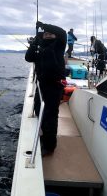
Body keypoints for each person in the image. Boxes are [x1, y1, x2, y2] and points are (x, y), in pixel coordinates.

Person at [25, 21, 67, 156]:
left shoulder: (59, 45)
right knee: (38, 110)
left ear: (55, 36)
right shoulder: (40, 47)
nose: (48, 35)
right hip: (41, 85)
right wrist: (34, 43)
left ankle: (50, 146)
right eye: (46, 34)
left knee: (50, 116)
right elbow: (28, 57)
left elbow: (61, 32)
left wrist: (44, 26)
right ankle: (44, 135)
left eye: (50, 34)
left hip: (54, 86)